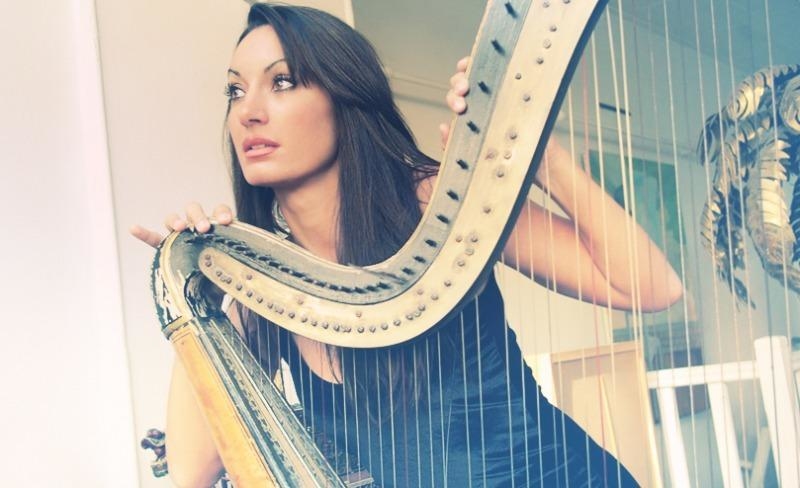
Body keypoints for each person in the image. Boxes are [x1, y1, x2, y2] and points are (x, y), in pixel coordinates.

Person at [132, 4, 683, 487]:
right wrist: (194, 292)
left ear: (345, 97)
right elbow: (192, 472)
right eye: (235, 90)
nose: (248, 110)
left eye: (282, 82)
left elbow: (653, 288)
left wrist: (539, 157)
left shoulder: (431, 204)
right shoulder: (267, 292)